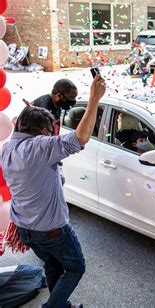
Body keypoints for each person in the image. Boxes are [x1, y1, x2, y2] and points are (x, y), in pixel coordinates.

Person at [1, 74, 106, 308]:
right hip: (49, 229)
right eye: (49, 132)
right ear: (40, 132)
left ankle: (60, 303)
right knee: (76, 266)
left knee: (53, 265)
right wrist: (94, 99)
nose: (51, 135)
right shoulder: (39, 147)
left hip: (24, 227)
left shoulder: (7, 148)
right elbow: (80, 138)